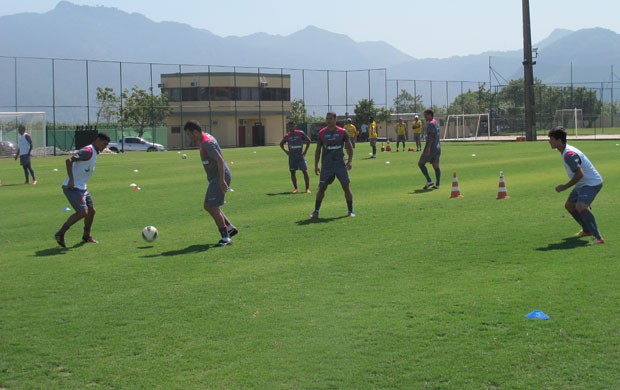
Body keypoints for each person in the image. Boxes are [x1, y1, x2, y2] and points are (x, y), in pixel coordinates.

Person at [184, 120, 238, 246]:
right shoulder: (205, 138)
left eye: (189, 134)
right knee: (211, 205)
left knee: (210, 206)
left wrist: (222, 180)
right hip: (217, 177)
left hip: (219, 177)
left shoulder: (207, 143)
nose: (188, 137)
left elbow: (219, 160)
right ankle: (230, 228)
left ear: (195, 132)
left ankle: (226, 238)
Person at [548, 127, 604, 245]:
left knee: (580, 207)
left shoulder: (569, 154)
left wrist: (565, 186)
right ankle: (587, 230)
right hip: (582, 183)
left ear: (559, 140)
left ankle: (598, 238)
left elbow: (580, 174)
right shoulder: (565, 151)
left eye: (551, 139)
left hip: (591, 183)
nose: (549, 141)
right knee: (569, 206)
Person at [54, 132, 110, 248]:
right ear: (98, 140)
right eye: (104, 144)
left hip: (82, 187)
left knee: (91, 211)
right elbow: (69, 160)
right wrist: (71, 180)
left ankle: (86, 236)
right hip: (72, 187)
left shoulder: (93, 152)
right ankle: (60, 234)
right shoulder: (88, 151)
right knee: (82, 212)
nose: (105, 147)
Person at [310, 112, 355, 218]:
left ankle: (350, 211)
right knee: (321, 188)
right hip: (327, 166)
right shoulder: (322, 133)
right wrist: (316, 165)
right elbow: (318, 150)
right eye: (327, 118)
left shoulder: (342, 132)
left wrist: (350, 161)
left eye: (330, 118)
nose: (328, 120)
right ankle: (316, 211)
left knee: (346, 187)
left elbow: (349, 147)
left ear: (335, 119)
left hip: (340, 165)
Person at [279, 119, 311, 193]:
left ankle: (307, 189)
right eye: (290, 126)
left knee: (305, 171)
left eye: (292, 126)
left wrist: (305, 151)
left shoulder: (300, 133)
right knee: (293, 172)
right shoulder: (287, 135)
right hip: (292, 157)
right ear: (288, 127)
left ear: (295, 126)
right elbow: (281, 144)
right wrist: (286, 151)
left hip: (300, 155)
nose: (291, 128)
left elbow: (308, 141)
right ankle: (296, 188)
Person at [418, 109, 441, 189]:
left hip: (431, 148)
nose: (424, 117)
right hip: (437, 147)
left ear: (430, 115)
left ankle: (429, 180)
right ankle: (437, 184)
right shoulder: (436, 123)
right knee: (436, 166)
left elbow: (431, 137)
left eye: (425, 115)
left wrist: (428, 148)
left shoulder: (431, 124)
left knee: (420, 164)